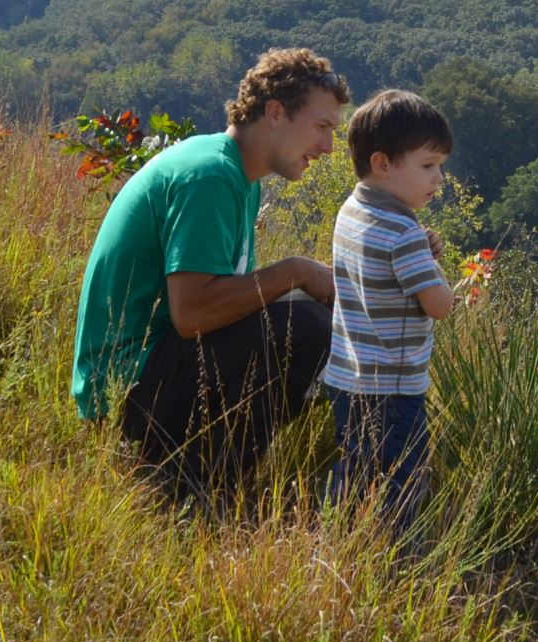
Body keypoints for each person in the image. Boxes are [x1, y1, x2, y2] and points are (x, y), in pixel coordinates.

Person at [69, 48, 351, 505]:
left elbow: (230, 303)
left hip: (146, 375)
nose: (328, 148)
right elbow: (193, 313)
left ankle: (206, 479)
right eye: (322, 128)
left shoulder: (238, 175)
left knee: (312, 323)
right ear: (275, 113)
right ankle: (195, 486)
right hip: (124, 390)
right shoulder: (211, 176)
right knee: (307, 332)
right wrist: (295, 272)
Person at [320, 89, 458, 533]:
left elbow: (383, 269)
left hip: (347, 377)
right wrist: (437, 271)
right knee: (401, 477)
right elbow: (438, 306)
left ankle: (334, 538)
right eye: (427, 166)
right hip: (395, 387)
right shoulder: (404, 232)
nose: (439, 178)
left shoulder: (351, 210)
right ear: (382, 163)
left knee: (357, 467)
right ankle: (389, 557)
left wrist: (422, 251)